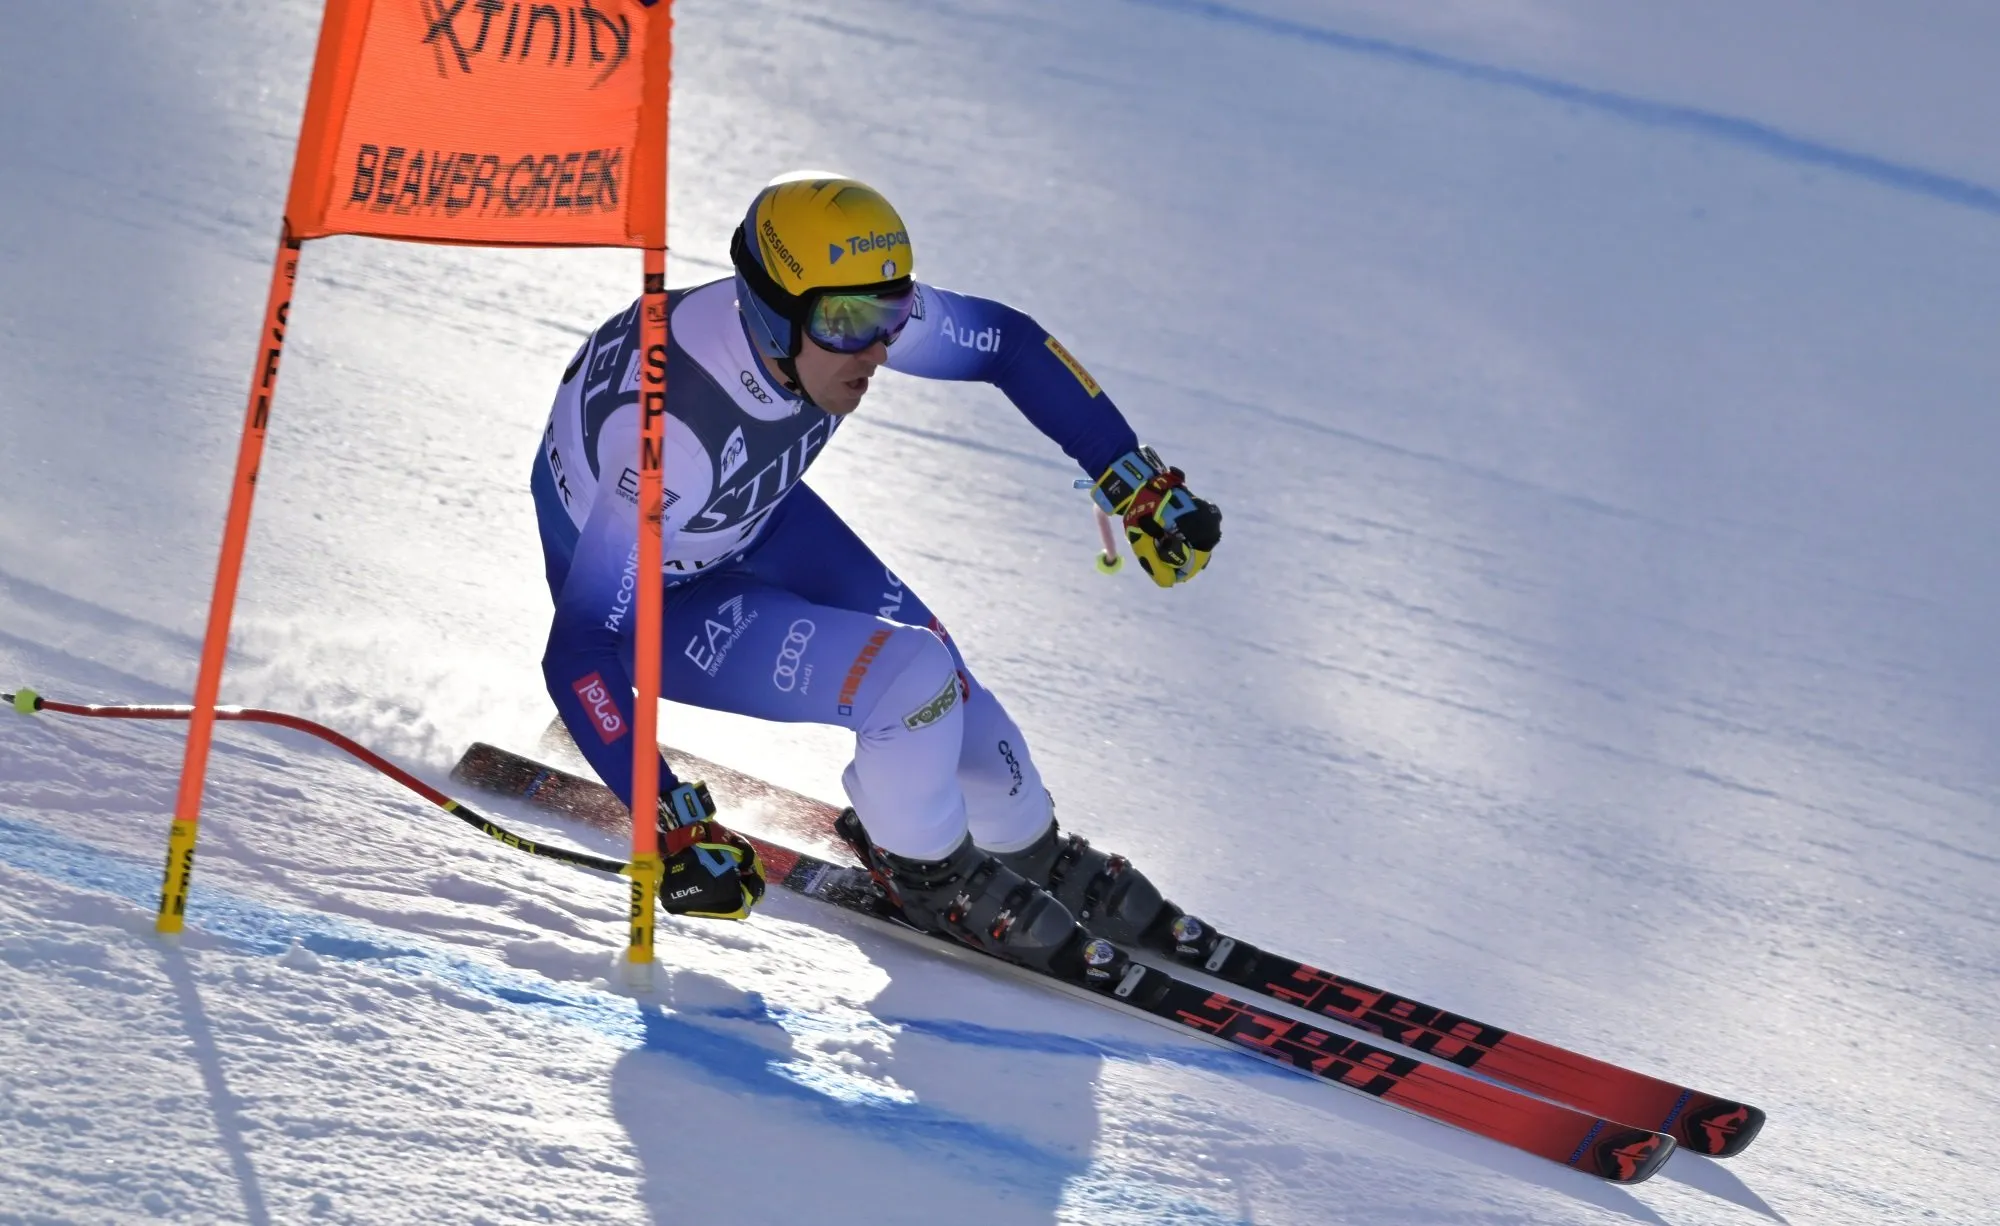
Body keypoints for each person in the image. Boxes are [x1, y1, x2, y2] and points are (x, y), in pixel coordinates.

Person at [532, 171, 1221, 980]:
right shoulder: (669, 442)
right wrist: (669, 817)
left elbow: (1009, 345)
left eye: (893, 316)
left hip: (757, 523)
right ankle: (930, 878)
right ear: (771, 309)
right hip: (664, 606)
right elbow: (578, 651)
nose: (877, 350)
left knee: (951, 688)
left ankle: (1026, 843)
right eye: (850, 323)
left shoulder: (832, 311)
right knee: (909, 679)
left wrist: (1130, 479)